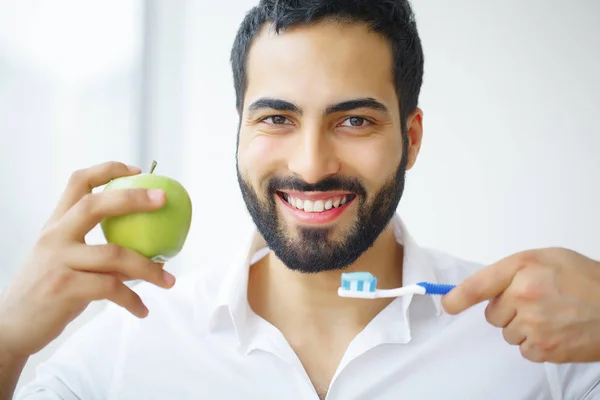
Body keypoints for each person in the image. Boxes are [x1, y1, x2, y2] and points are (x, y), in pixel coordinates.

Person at [2, 0, 600, 398]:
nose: (311, 166)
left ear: (410, 138)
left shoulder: (544, 346)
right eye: (278, 119)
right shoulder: (128, 346)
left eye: (356, 121)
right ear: (239, 130)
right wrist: (9, 339)